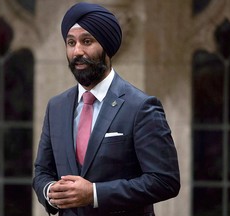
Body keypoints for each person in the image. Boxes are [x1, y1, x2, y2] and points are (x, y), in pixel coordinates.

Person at [32, 2, 180, 216]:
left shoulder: (141, 107)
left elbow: (165, 181)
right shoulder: (56, 106)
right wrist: (50, 192)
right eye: (71, 42)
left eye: (87, 41)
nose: (77, 51)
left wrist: (94, 194)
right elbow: (42, 171)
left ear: (107, 48)